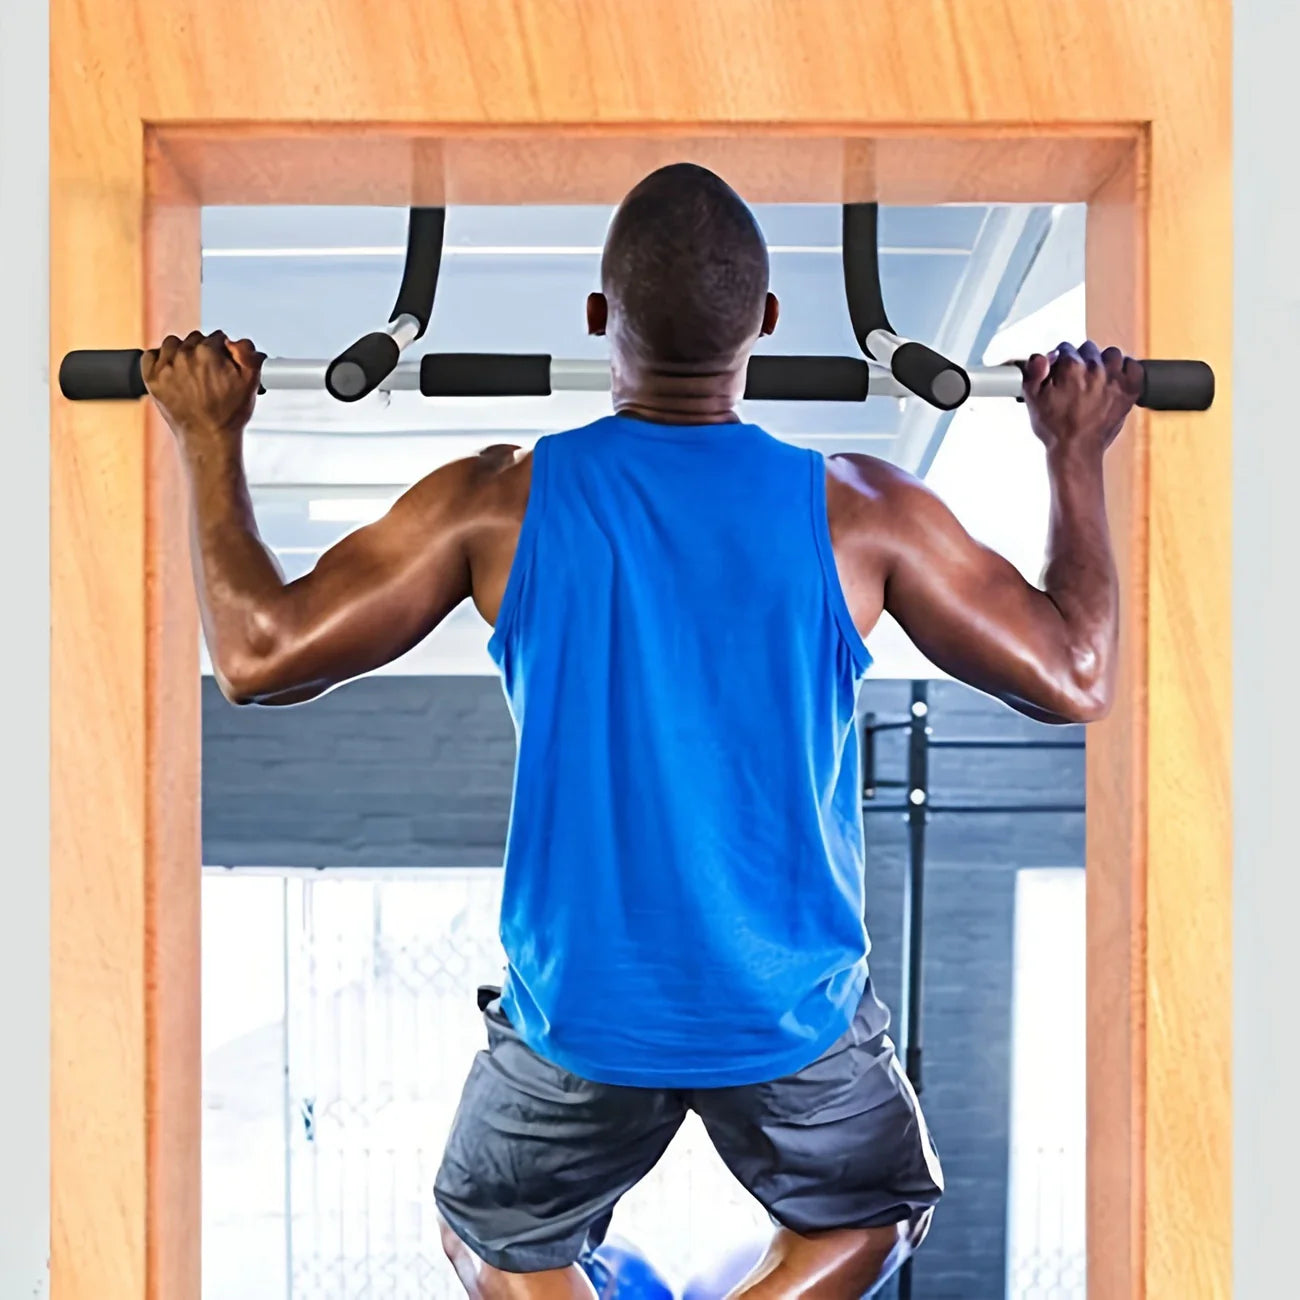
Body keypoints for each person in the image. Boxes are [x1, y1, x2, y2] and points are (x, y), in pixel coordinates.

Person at [142, 163, 1143, 1300]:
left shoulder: (496, 502)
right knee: (872, 1214)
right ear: (765, 322)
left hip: (581, 1018)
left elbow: (260, 655)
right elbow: (1075, 671)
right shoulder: (857, 511)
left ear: (596, 316)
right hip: (788, 1016)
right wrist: (1073, 451)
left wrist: (209, 433)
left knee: (492, 1235)